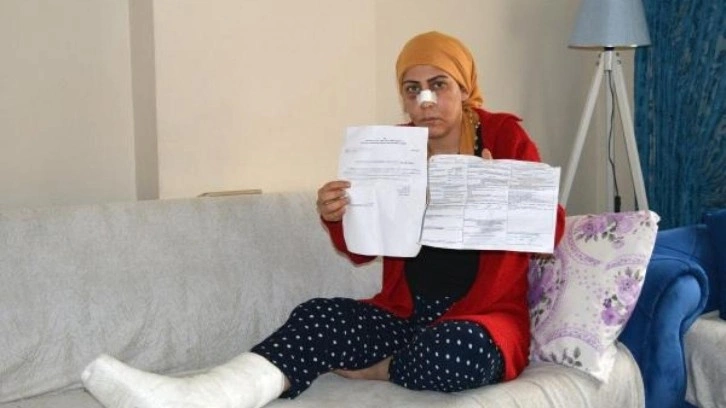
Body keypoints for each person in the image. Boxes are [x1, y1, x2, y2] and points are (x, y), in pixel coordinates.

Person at [80, 31, 565, 408]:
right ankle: (202, 397)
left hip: (480, 319)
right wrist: (338, 214)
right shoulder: (393, 146)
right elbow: (361, 250)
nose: (425, 101)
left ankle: (383, 369)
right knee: (319, 315)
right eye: (411, 88)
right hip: (405, 314)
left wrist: (496, 189)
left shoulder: (504, 137)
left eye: (438, 85)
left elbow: (551, 229)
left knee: (458, 351)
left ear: (464, 87)